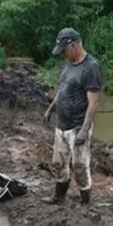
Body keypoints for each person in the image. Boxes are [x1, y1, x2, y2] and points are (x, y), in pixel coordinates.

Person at [43, 28, 103, 206]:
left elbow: (93, 103)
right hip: (62, 123)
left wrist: (84, 130)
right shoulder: (68, 63)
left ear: (74, 45)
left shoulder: (91, 67)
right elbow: (62, 89)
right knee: (59, 163)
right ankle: (58, 197)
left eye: (64, 50)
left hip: (78, 126)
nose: (62, 54)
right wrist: (51, 109)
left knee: (80, 167)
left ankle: (85, 203)